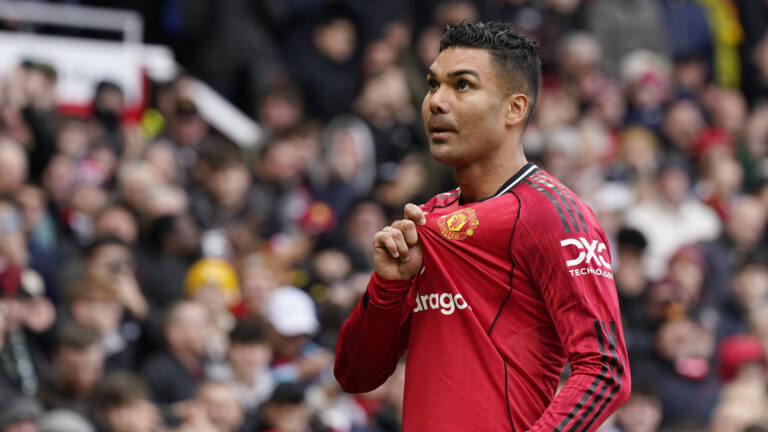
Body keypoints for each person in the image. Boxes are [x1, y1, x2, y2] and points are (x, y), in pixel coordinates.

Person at [334, 21, 630, 431]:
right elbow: (355, 375)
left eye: (462, 86)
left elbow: (604, 370)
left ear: (515, 108)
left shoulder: (554, 213)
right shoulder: (428, 219)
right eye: (432, 84)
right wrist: (389, 287)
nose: (437, 101)